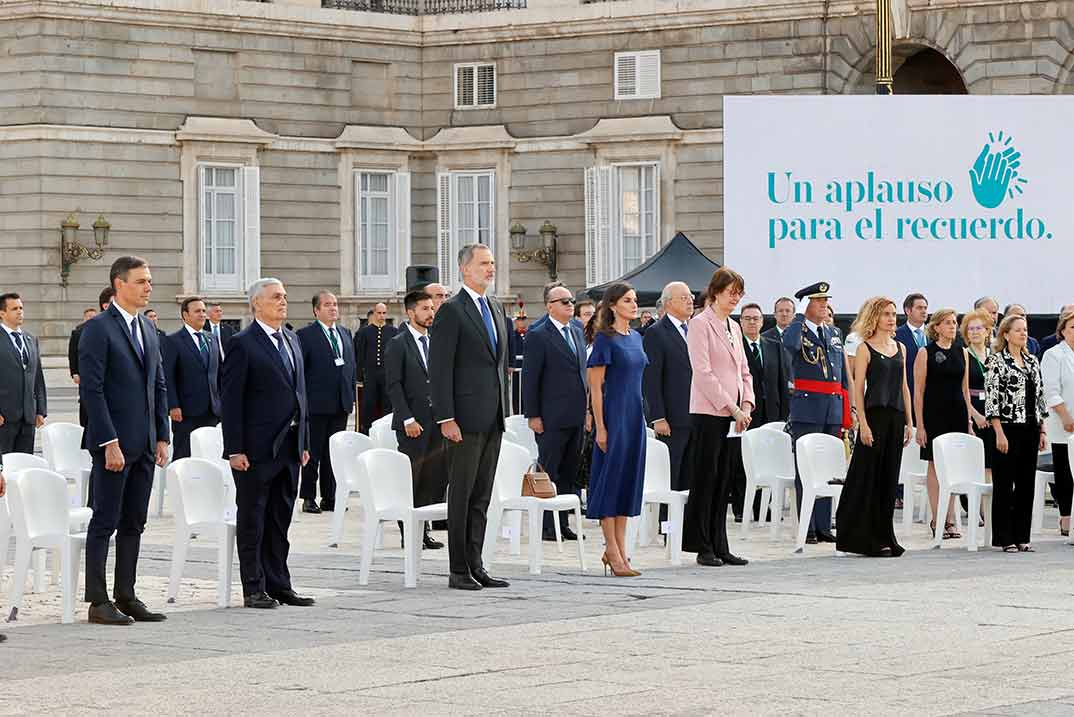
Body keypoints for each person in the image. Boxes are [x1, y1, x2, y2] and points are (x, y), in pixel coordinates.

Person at [79, 256, 170, 625]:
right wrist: (108, 442)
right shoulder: (99, 329)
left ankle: (126, 594)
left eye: (149, 281)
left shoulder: (148, 329)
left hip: (146, 444)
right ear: (120, 284)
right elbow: (93, 391)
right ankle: (98, 601)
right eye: (141, 281)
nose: (149, 287)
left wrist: (162, 434)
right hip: (114, 445)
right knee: (105, 520)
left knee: (135, 522)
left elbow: (158, 384)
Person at [221, 278, 314, 609]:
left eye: (285, 297)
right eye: (276, 297)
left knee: (280, 519)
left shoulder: (291, 338)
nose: (283, 301)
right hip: (256, 449)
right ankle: (253, 586)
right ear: (256, 304)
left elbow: (299, 391)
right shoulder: (242, 343)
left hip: (289, 446)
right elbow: (231, 400)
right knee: (254, 518)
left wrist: (303, 439)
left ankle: (279, 583)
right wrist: (235, 448)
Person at [430, 244, 511, 591]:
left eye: (492, 263)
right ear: (464, 269)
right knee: (461, 495)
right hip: (462, 419)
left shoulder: (494, 306)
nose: (490, 269)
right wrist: (446, 417)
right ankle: (458, 568)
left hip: (493, 416)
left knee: (482, 495)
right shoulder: (451, 310)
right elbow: (440, 368)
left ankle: (477, 564)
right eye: (483, 264)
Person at [681, 268, 753, 566]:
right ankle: (703, 545)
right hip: (710, 412)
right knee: (706, 478)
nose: (735, 298)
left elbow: (744, 371)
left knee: (725, 478)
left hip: (735, 415)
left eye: (739, 293)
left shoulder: (734, 327)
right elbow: (704, 373)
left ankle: (721, 543)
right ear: (716, 292)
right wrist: (731, 406)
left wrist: (747, 403)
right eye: (731, 292)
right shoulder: (700, 324)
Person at [835, 297, 913, 557]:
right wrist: (863, 424)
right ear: (874, 318)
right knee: (867, 477)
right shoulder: (865, 348)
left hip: (895, 419)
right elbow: (857, 389)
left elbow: (904, 387)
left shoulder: (901, 348)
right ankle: (862, 537)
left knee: (889, 480)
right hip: (874, 418)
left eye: (893, 314)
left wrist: (910, 422)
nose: (892, 319)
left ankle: (885, 536)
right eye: (886, 314)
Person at [585, 282, 648, 577]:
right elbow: (595, 389)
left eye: (635, 300)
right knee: (610, 482)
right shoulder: (604, 340)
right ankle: (611, 549)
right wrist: (600, 427)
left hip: (635, 417)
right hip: (613, 416)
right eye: (627, 300)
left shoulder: (636, 337)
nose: (634, 305)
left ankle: (621, 551)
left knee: (627, 483)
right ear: (612, 305)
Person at [784, 281, 850, 545]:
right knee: (807, 468)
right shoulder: (797, 331)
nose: (824, 305)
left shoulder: (834, 332)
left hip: (832, 407)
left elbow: (842, 374)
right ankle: (808, 526)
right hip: (808, 407)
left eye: (826, 301)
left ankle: (824, 525)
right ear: (806, 305)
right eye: (818, 301)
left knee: (829, 469)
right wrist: (798, 316)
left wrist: (847, 408)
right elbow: (788, 346)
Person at [522, 284, 587, 541]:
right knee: (550, 470)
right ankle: (547, 526)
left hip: (576, 415)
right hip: (550, 416)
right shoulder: (539, 334)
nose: (570, 304)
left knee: (570, 471)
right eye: (564, 301)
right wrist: (533, 415)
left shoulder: (577, 330)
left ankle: (563, 522)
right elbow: (530, 378)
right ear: (550, 306)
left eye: (571, 300)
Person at [385, 290, 445, 549]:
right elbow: (394, 386)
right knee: (412, 478)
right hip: (413, 424)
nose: (430, 313)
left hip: (436, 422)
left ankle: (423, 530)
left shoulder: (437, 342)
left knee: (431, 480)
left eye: (432, 308)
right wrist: (407, 418)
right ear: (410, 313)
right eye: (424, 309)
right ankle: (408, 533)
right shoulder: (398, 344)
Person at [986, 314, 1047, 552]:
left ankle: (1022, 535)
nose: (1024, 334)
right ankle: (1004, 537)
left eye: (1026, 329)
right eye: (1019, 330)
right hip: (1007, 428)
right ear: (1006, 334)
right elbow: (992, 400)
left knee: (1025, 484)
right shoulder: (997, 361)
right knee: (1004, 483)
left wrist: (1042, 429)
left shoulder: (1032, 361)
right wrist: (999, 432)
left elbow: (1039, 397)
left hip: (1030, 427)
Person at [913, 307, 971, 540]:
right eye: (947, 323)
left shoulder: (962, 352)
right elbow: (918, 391)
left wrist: (968, 420)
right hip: (934, 415)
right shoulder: (925, 353)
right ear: (936, 327)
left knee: (954, 467)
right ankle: (937, 518)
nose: (952, 326)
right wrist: (921, 424)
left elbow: (965, 389)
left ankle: (950, 518)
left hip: (956, 413)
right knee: (935, 466)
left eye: (954, 323)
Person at [296, 291, 356, 514]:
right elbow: (301, 371)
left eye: (335, 304)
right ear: (316, 310)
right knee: (313, 452)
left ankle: (330, 497)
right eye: (328, 305)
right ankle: (309, 497)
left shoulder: (345, 333)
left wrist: (350, 396)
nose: (333, 308)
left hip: (340, 403)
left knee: (335, 454)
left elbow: (351, 367)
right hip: (316, 404)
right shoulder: (306, 335)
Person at [736, 301, 791, 521]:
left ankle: (765, 507)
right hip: (747, 411)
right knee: (744, 459)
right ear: (740, 322)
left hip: (772, 412)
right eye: (747, 318)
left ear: (762, 321)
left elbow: (782, 381)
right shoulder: (735, 345)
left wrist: (785, 414)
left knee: (768, 459)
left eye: (756, 318)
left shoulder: (773, 345)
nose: (752, 322)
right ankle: (743, 507)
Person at [642, 282, 696, 495]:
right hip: (672, 419)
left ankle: (685, 524)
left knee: (690, 476)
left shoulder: (695, 329)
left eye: (690, 296)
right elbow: (651, 378)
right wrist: (658, 417)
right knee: (671, 474)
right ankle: (668, 525)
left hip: (696, 414)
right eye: (684, 297)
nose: (690, 300)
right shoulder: (656, 332)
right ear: (668, 303)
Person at [161, 297, 221, 461]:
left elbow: (218, 373)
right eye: (197, 311)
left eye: (203, 311)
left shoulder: (212, 339)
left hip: (212, 411)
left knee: (210, 456)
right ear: (185, 315)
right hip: (186, 412)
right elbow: (168, 375)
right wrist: (173, 405)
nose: (202, 314)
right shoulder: (173, 340)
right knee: (184, 455)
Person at [0, 293, 47, 458]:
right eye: (14, 309)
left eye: (21, 308)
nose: (20, 312)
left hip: (28, 417)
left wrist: (40, 410)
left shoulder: (30, 339)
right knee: (4, 467)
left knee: (24, 463)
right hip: (4, 419)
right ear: (2, 313)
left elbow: (38, 378)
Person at [1040, 309, 1074, 537]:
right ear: (1062, 331)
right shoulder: (1053, 355)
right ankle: (1065, 518)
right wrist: (1066, 418)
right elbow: (1051, 392)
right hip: (1064, 424)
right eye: (1072, 327)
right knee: (1065, 471)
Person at [71, 288, 114, 441]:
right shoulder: (89, 330)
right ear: (105, 305)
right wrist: (75, 372)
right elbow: (74, 355)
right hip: (97, 399)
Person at [354, 302, 398, 433]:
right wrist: (359, 376)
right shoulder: (364, 332)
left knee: (387, 405)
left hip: (387, 375)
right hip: (370, 376)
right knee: (369, 405)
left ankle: (386, 432)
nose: (382, 316)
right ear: (373, 314)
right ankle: (367, 431)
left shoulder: (393, 332)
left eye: (384, 313)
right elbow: (359, 355)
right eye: (379, 313)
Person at [963, 309, 996, 481]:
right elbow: (962, 391)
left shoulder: (995, 355)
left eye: (978, 328)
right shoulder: (964, 355)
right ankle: (977, 505)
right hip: (974, 411)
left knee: (992, 462)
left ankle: (989, 505)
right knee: (976, 462)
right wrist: (975, 416)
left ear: (987, 331)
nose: (974, 332)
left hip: (993, 413)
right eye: (971, 329)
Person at [894, 293, 928, 420]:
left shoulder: (934, 335)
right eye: (919, 308)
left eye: (925, 308)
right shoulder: (897, 336)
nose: (924, 311)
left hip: (930, 396)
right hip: (907, 395)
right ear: (908, 310)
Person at [509, 311, 528, 414]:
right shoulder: (512, 335)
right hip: (516, 371)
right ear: (515, 322)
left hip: (528, 371)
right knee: (516, 395)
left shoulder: (531, 334)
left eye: (523, 319)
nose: (521, 322)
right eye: (519, 320)